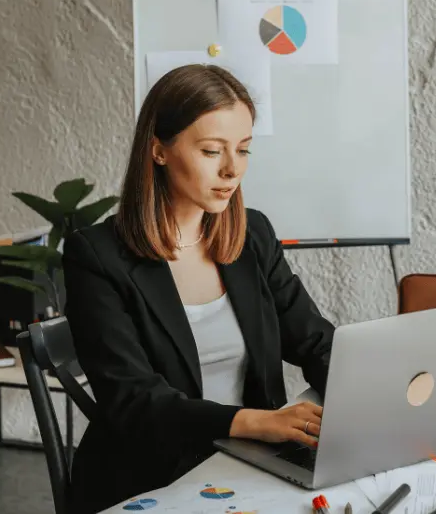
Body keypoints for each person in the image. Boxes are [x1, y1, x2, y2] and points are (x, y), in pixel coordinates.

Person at [63, 64, 335, 513]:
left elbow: (314, 341)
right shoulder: (96, 255)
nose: (232, 169)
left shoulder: (252, 235)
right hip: (148, 474)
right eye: (212, 151)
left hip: (249, 463)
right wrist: (254, 423)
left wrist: (366, 397)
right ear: (159, 150)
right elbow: (132, 400)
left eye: (243, 150)